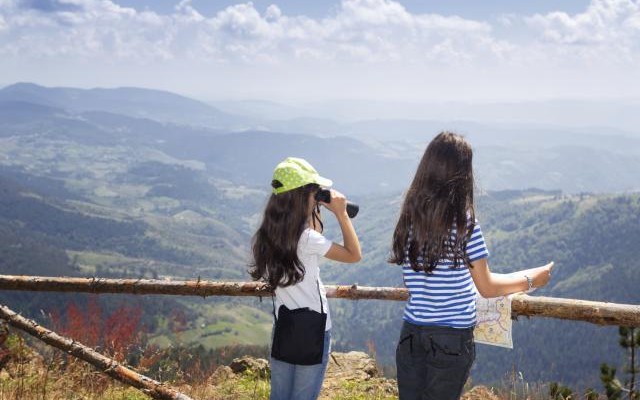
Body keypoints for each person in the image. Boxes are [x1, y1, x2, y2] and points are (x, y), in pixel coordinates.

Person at [389, 132, 554, 400]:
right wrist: (533, 279)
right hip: (450, 338)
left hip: (411, 333)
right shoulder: (464, 225)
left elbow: (419, 282)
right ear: (463, 172)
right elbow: (487, 287)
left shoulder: (410, 220)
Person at [250, 157, 361, 400]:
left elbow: (308, 234)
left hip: (285, 324)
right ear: (302, 197)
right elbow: (354, 255)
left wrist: (311, 206)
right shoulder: (308, 239)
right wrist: (342, 214)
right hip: (314, 328)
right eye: (314, 192)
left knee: (280, 395)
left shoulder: (268, 234)